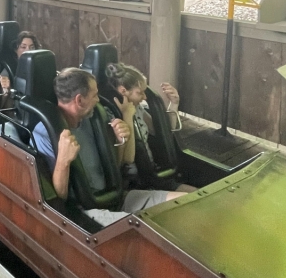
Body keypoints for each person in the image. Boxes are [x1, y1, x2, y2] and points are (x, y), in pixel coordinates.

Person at [30, 68, 180, 225]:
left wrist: (121, 139)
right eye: (94, 95)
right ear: (79, 100)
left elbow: (117, 165)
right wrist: (63, 160)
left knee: (183, 203)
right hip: (86, 211)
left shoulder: (95, 119)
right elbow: (58, 197)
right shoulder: (45, 134)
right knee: (156, 227)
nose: (98, 100)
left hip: (118, 197)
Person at [105, 62, 194, 193]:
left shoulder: (139, 108)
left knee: (197, 194)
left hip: (152, 174)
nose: (145, 97)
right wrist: (128, 116)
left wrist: (174, 103)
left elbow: (164, 131)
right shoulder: (111, 116)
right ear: (123, 91)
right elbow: (128, 159)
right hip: (134, 183)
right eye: (140, 92)